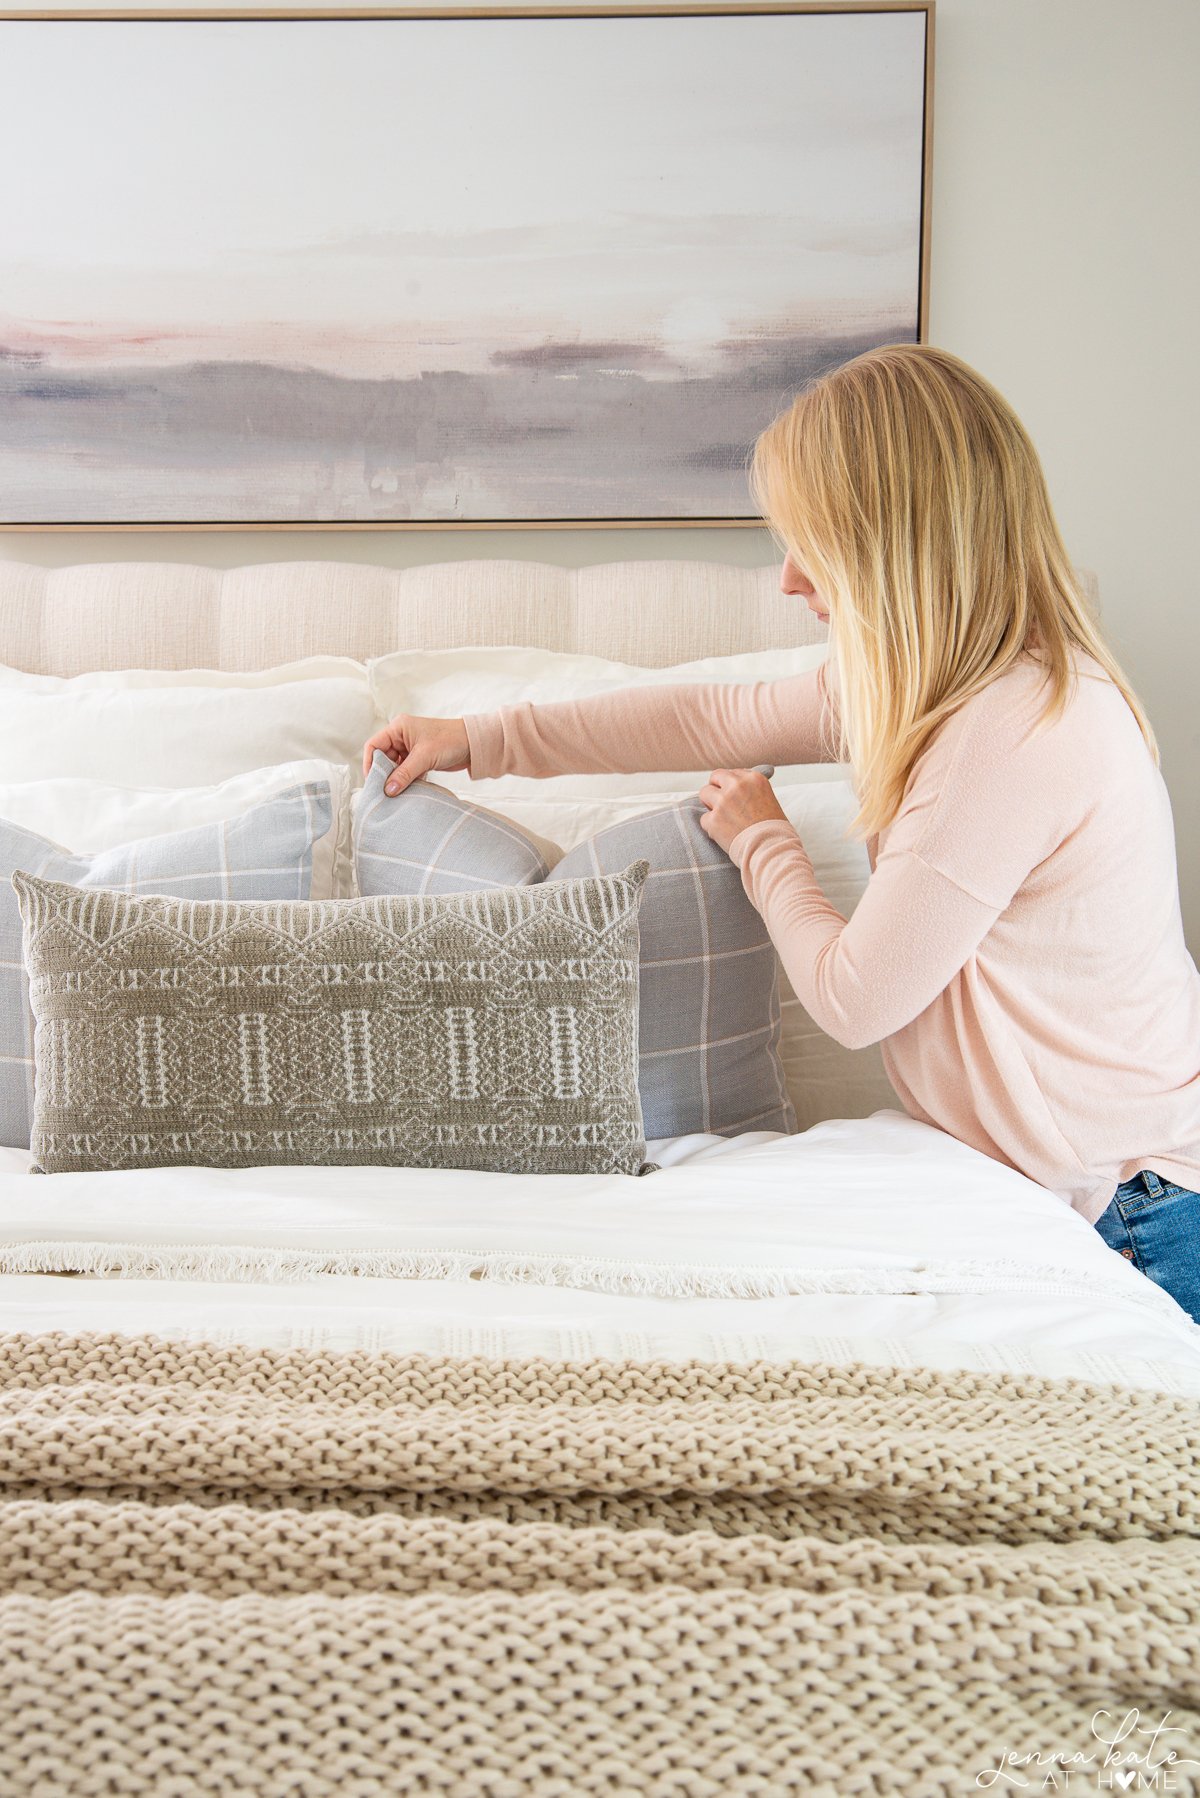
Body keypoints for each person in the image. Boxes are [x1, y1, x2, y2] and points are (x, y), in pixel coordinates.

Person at [363, 343, 1200, 1324]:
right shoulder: (939, 686)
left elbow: (855, 1000)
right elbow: (705, 719)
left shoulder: (1013, 732)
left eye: (814, 542)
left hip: (1127, 1220)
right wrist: (481, 738)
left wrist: (764, 843)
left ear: (893, 549)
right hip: (1038, 1190)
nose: (790, 578)